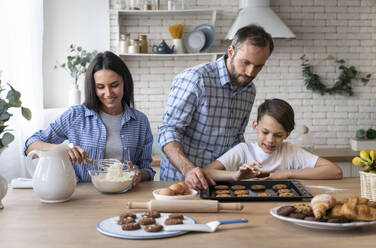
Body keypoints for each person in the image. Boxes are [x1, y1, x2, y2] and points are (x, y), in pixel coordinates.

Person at [158, 24, 274, 189]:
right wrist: (188, 169)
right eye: (246, 63)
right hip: (181, 181)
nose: (250, 72)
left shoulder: (249, 90)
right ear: (231, 52)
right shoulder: (196, 79)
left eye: (258, 66)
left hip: (221, 183)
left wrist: (245, 168)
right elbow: (168, 131)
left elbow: (236, 139)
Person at [24, 51, 155, 183]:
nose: (108, 93)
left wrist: (139, 174)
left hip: (125, 195)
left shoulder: (140, 121)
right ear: (93, 87)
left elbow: (147, 170)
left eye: (114, 85)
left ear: (124, 83)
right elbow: (30, 145)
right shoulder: (76, 115)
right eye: (100, 87)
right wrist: (62, 150)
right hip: (84, 197)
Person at [203, 99, 343, 181]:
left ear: (287, 135)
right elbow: (207, 172)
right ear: (255, 127)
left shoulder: (290, 151)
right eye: (265, 132)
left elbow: (335, 171)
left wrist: (286, 174)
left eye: (278, 135)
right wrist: (236, 175)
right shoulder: (243, 150)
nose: (270, 140)